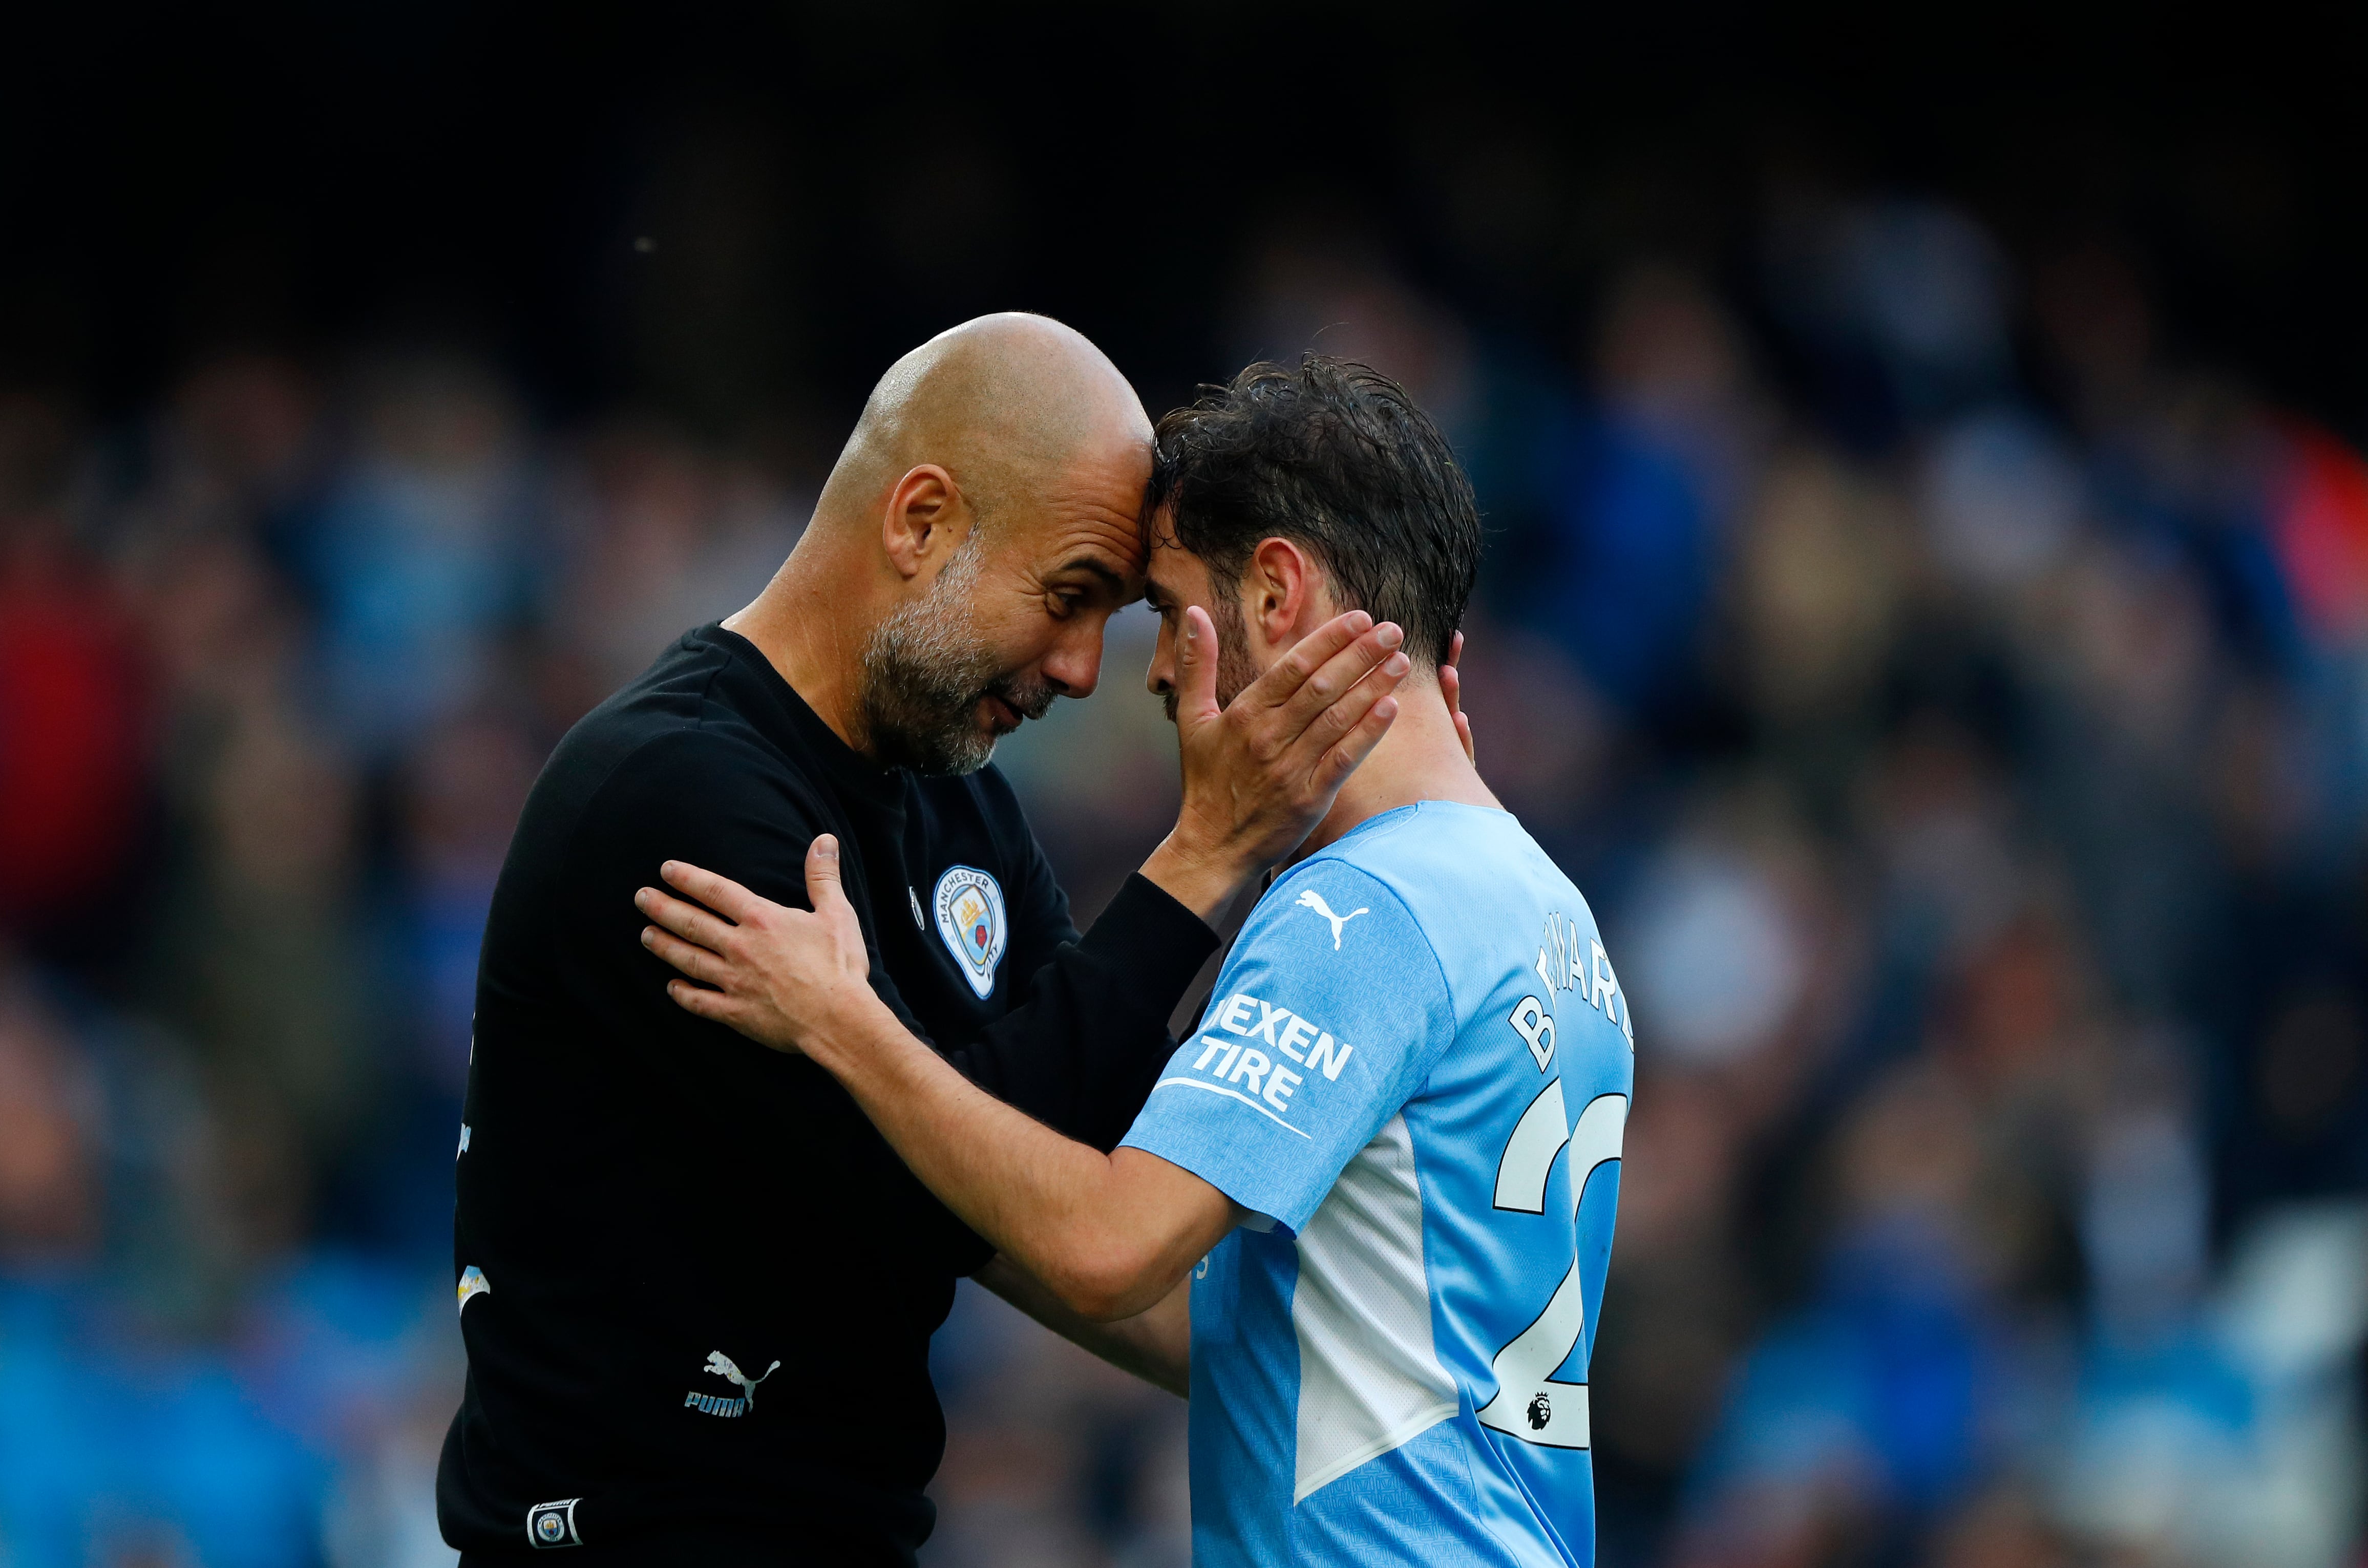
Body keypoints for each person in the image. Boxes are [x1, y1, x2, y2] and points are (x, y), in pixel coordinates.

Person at [439, 317, 1424, 1563]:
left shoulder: (962, 805)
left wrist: (1364, 1380)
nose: (1081, 670)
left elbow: (1047, 1165)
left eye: (1112, 620)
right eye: (1068, 599)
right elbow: (968, 1202)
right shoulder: (671, 796)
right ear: (920, 523)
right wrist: (1205, 854)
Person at [637, 355, 1636, 1567]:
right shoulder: (1542, 907)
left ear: (1275, 591)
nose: (1154, 670)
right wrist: (900, 1168)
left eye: (1165, 609)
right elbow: (1237, 1333)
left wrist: (843, 1026)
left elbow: (1110, 1249)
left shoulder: (1359, 911)